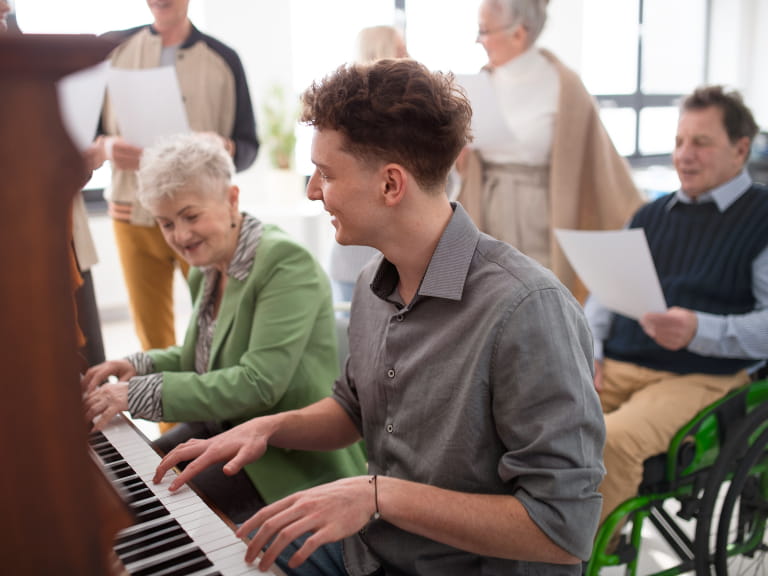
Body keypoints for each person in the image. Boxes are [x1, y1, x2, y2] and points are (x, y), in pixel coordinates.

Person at [153, 59, 606, 576]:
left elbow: (564, 532)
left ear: (392, 185)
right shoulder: (374, 280)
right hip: (374, 552)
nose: (312, 191)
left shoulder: (527, 309)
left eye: (326, 173)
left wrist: (377, 496)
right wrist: (267, 428)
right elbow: (353, 409)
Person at [82, 133, 366, 525]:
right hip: (223, 431)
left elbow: (257, 384)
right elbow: (200, 357)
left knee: (147, 514)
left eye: (191, 216)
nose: (180, 236)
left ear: (232, 198)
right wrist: (136, 365)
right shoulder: (208, 267)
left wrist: (137, 394)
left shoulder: (285, 263)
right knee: (126, 488)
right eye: (167, 223)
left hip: (284, 456)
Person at [584, 85, 768, 538]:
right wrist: (589, 349)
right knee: (531, 421)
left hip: (702, 377)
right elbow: (603, 298)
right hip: (617, 367)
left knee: (613, 443)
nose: (684, 155)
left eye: (701, 143)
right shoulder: (648, 216)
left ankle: (567, 559)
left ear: (740, 149)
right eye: (679, 141)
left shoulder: (762, 218)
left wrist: (699, 331)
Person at [88, 0, 259, 356]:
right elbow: (82, 136)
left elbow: (248, 147)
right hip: (131, 215)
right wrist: (106, 148)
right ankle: (168, 414)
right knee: (152, 338)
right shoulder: (112, 52)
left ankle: (223, 410)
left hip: (204, 215)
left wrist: (222, 146)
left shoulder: (224, 59)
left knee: (221, 329)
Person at [457, 0, 644, 302]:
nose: (478, 41)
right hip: (487, 208)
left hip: (542, 214)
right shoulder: (482, 81)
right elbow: (468, 161)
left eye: (484, 31)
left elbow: (599, 161)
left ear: (518, 33)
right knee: (487, 297)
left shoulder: (565, 85)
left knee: (540, 299)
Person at [328, 24, 408, 307]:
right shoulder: (395, 120)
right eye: (401, 49)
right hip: (363, 260)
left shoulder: (342, 115)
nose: (409, 56)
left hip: (367, 259)